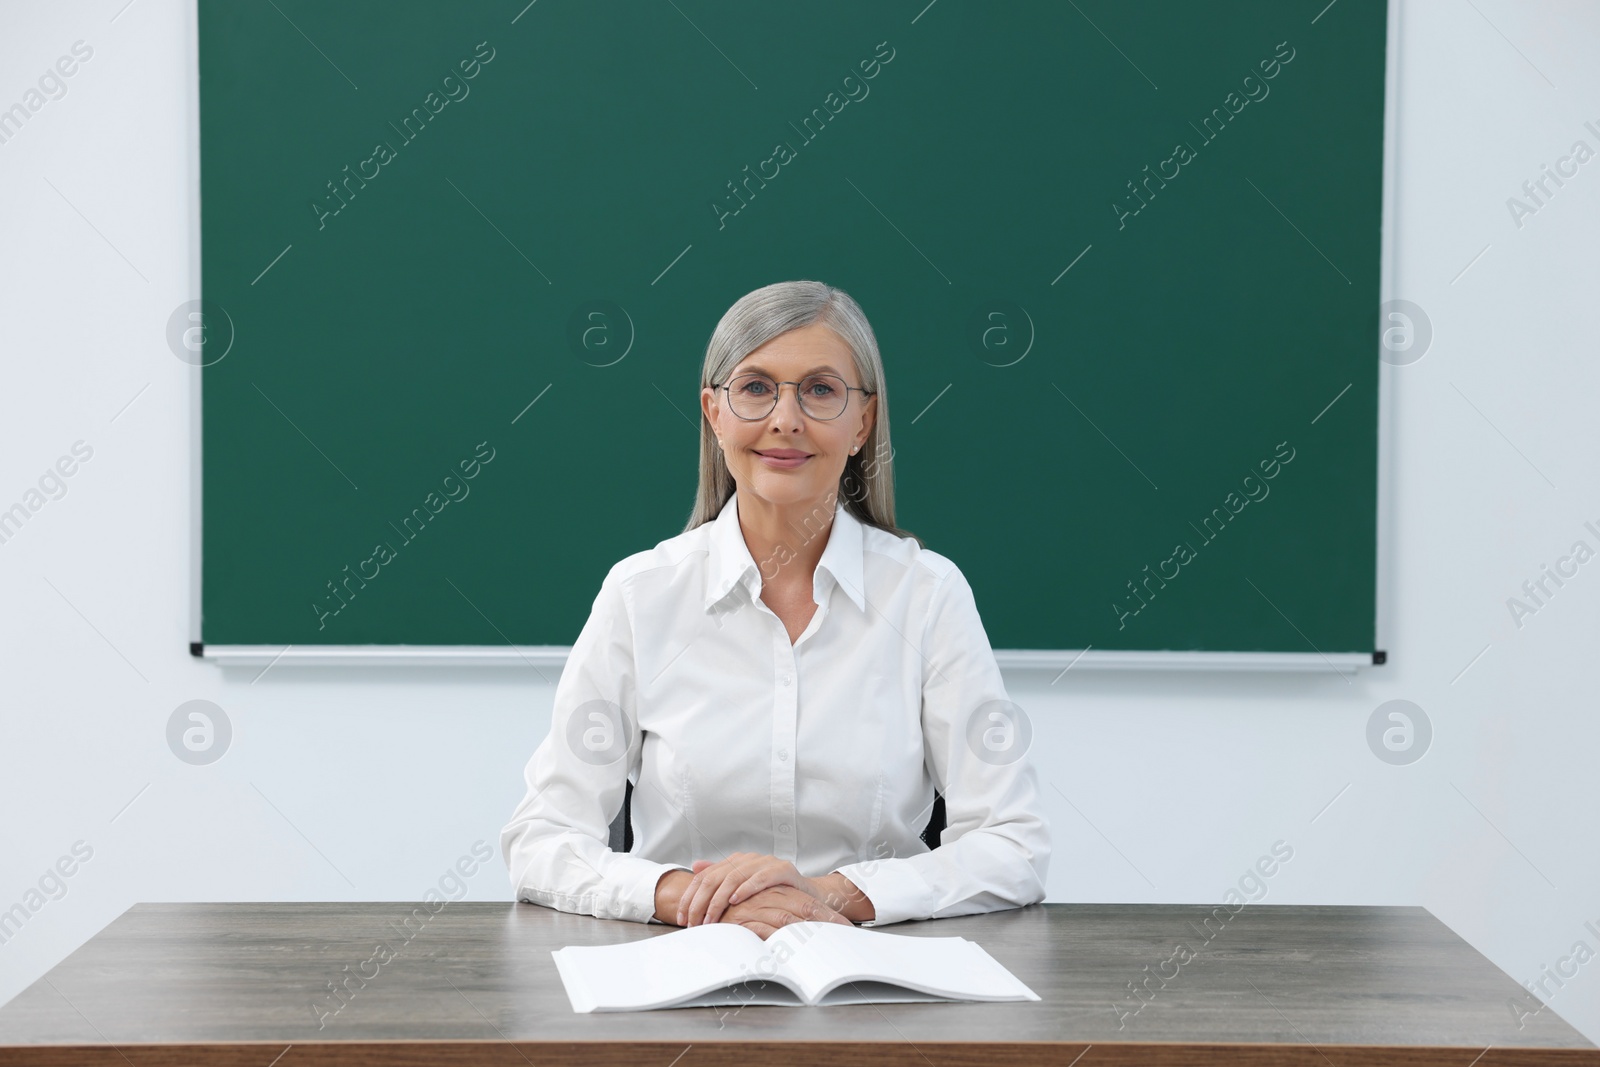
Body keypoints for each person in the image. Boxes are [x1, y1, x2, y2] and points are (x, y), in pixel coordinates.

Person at [500, 280, 1050, 938]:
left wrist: (829, 894)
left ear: (862, 423)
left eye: (820, 390)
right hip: (678, 974)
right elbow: (541, 839)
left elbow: (1013, 846)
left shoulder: (927, 596)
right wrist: (689, 894)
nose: (786, 418)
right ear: (715, 413)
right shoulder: (640, 595)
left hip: (872, 982)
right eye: (757, 387)